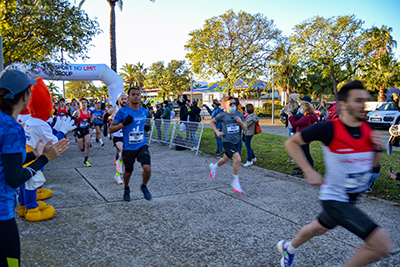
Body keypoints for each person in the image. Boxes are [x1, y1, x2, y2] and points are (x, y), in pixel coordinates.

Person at [277, 80, 391, 267]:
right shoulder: (329, 129)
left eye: (365, 100)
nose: (363, 105)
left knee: (317, 228)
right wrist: (309, 171)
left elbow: (370, 165)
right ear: (344, 105)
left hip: (352, 197)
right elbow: (291, 143)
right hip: (336, 199)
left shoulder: (367, 130)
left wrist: (377, 151)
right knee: (381, 244)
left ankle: (288, 248)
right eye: (358, 100)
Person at [0, 69, 69, 266]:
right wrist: (45, 158)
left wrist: (33, 155)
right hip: (2, 217)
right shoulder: (12, 128)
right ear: (25, 96)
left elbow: (6, 160)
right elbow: (14, 178)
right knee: (11, 263)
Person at [109, 86, 152, 201]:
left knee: (147, 168)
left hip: (141, 145)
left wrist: (145, 127)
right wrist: (123, 124)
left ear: (140, 96)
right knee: (128, 172)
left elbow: (140, 124)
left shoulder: (144, 111)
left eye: (138, 94)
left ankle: (143, 186)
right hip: (128, 147)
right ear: (128, 97)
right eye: (133, 94)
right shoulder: (122, 112)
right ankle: (126, 188)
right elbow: (111, 129)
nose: (136, 96)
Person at [209, 96, 248, 193]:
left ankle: (214, 167)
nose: (233, 105)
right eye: (231, 104)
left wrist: (240, 122)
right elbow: (211, 122)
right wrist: (217, 132)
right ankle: (235, 181)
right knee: (238, 160)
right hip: (227, 141)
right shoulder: (222, 115)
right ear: (226, 105)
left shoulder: (239, 114)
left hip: (236, 141)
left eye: (235, 103)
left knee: (226, 159)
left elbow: (245, 128)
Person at [286, 101, 318, 176]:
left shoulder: (306, 118)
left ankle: (308, 170)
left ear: (304, 109)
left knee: (305, 154)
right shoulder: (308, 116)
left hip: (303, 138)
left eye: (301, 108)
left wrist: (290, 117)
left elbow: (295, 123)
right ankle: (302, 167)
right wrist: (291, 115)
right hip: (304, 137)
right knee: (303, 154)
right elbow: (297, 121)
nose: (300, 109)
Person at [109, 92, 128, 185]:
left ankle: (117, 175)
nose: (124, 101)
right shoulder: (114, 110)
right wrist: (106, 129)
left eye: (125, 99)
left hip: (125, 136)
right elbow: (105, 116)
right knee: (124, 150)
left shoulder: (129, 110)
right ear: (118, 100)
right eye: (122, 99)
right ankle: (118, 162)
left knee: (124, 157)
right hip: (116, 136)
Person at [72, 98, 92, 167]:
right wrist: (73, 129)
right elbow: (71, 120)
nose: (84, 104)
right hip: (79, 130)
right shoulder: (77, 112)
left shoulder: (88, 112)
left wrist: (89, 123)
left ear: (87, 103)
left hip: (85, 129)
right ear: (79, 104)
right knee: (81, 148)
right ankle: (77, 137)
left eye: (85, 102)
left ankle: (86, 160)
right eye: (82, 103)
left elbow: (89, 119)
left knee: (88, 143)